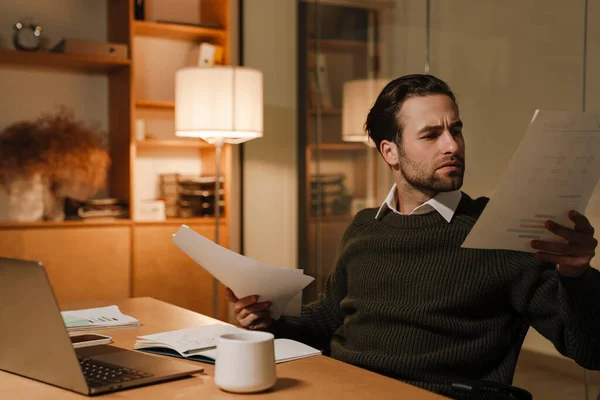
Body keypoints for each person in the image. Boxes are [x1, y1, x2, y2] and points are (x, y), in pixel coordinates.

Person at [225, 74, 600, 397]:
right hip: (341, 387)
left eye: (456, 130)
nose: (452, 145)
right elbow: (330, 318)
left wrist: (577, 275)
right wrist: (269, 321)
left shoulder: (499, 232)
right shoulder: (365, 227)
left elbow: (591, 349)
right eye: (431, 135)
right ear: (390, 151)